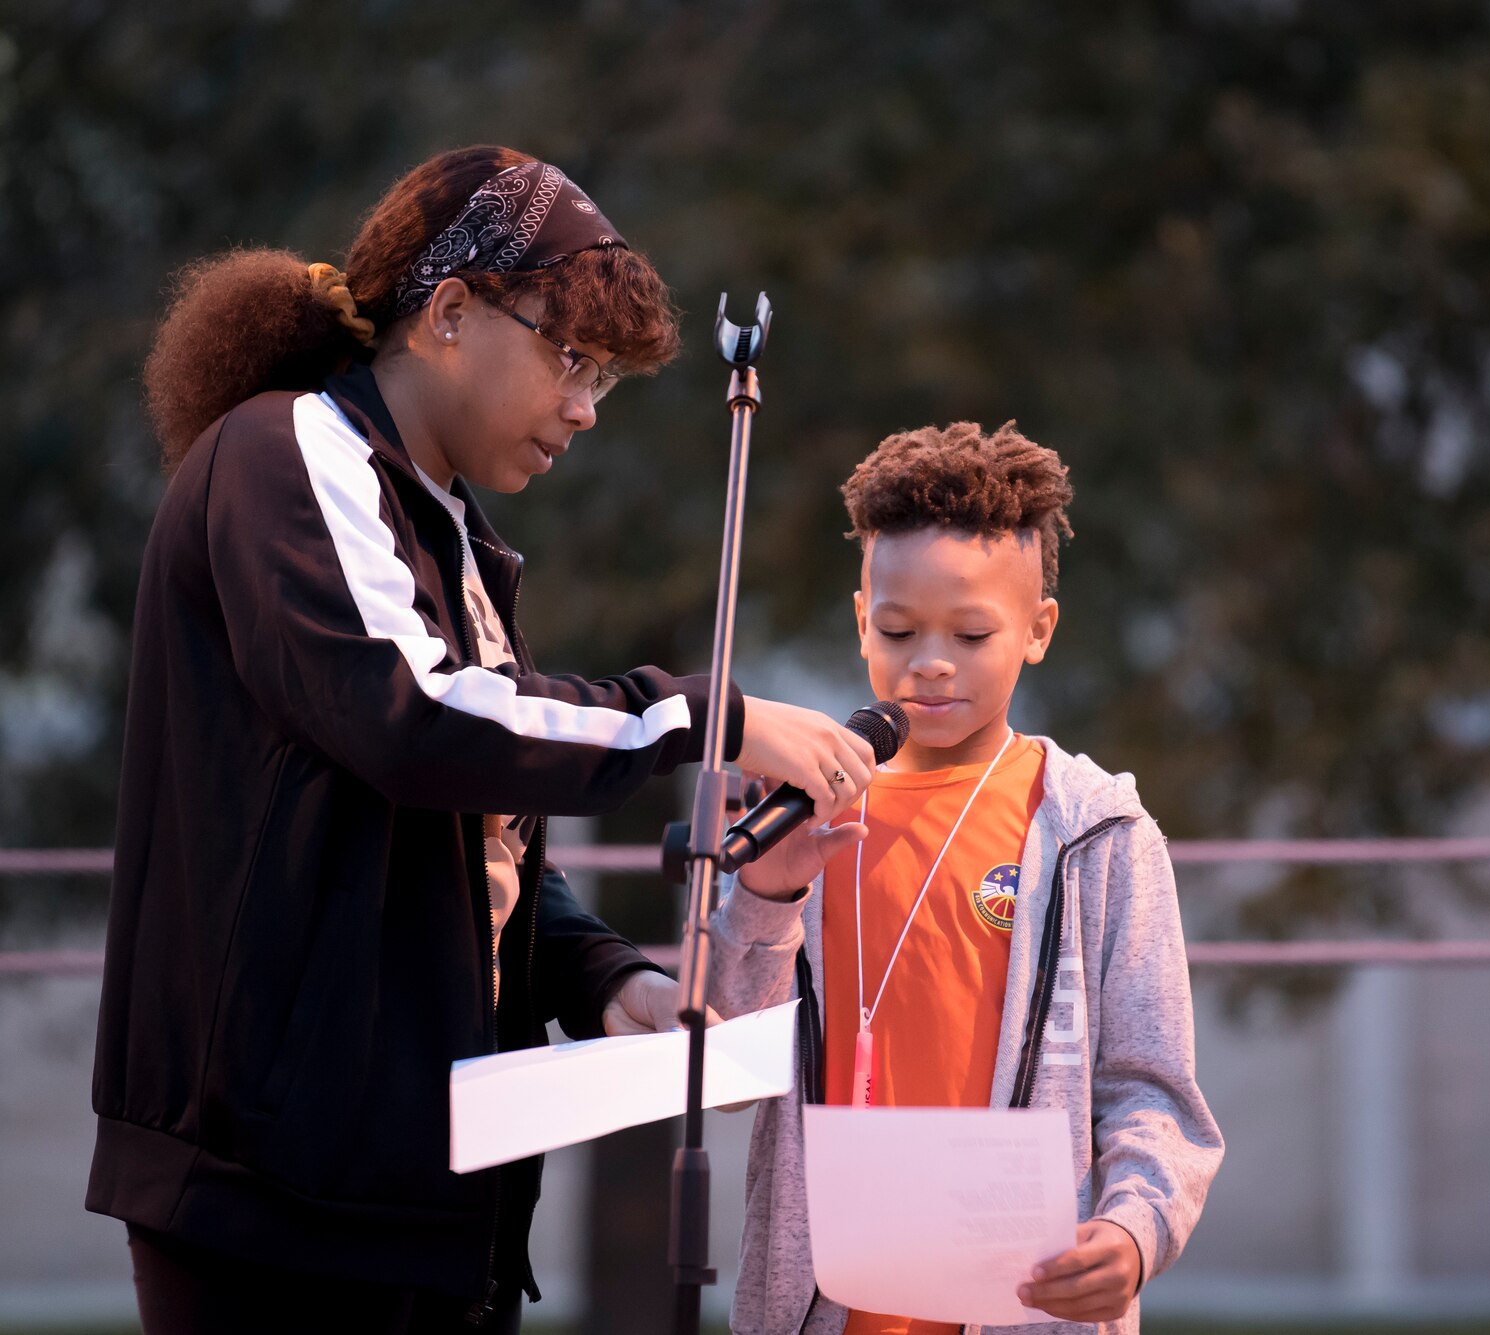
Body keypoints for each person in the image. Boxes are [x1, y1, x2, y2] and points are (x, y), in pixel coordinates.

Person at [87, 145, 879, 1334]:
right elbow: (410, 718)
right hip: (273, 1189)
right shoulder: (290, 450)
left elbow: (472, 839)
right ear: (449, 313)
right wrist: (706, 716)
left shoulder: (450, 532)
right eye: (570, 357)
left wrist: (603, 980)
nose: (582, 408)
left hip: (425, 1191)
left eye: (604, 380)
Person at [708, 421, 1223, 1334]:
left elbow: (1154, 1090)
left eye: (973, 631)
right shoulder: (795, 808)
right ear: (861, 617)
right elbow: (723, 1062)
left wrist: (1134, 1231)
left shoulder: (1096, 830)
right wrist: (765, 896)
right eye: (900, 628)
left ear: (1038, 630)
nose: (932, 659)